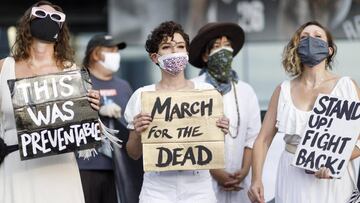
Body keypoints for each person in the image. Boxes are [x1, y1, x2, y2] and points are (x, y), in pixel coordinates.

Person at [248, 21, 360, 203]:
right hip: (293, 179)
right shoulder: (282, 90)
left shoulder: (347, 86)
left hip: (332, 181)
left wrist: (334, 161)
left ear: (329, 50)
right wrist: (256, 179)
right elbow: (263, 139)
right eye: (304, 37)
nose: (310, 41)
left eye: (318, 36)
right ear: (298, 47)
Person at [0, 1, 100, 203]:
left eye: (56, 17)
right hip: (16, 165)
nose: (48, 20)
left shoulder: (72, 71)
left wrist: (92, 109)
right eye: (40, 14)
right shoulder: (3, 67)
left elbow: (82, 128)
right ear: (28, 21)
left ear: (61, 28)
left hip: (59, 167)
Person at [124, 21, 230, 203]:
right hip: (157, 188)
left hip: (199, 187)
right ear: (155, 57)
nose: (175, 52)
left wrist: (222, 129)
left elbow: (212, 143)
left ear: (187, 54)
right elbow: (133, 153)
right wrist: (137, 133)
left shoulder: (206, 93)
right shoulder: (142, 96)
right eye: (167, 47)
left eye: (180, 46)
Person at [189, 22, 261, 203]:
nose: (224, 50)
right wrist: (216, 172)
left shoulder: (246, 91)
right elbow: (188, 137)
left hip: (240, 183)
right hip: (203, 183)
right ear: (205, 55)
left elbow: (253, 137)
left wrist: (244, 170)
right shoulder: (192, 89)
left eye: (227, 46)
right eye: (216, 46)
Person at [77, 34, 143, 203]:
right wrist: (97, 111)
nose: (116, 54)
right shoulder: (78, 81)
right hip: (85, 166)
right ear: (95, 54)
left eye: (116, 51)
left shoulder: (123, 85)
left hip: (119, 167)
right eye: (110, 50)